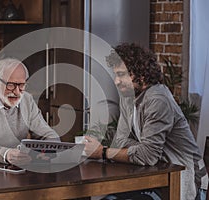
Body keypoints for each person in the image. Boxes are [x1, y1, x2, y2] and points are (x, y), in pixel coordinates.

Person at [84, 43, 208, 200]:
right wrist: (142, 150)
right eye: (115, 74)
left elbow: (147, 156)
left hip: (186, 180)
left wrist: (102, 152)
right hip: (157, 174)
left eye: (121, 75)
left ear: (141, 75)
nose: (116, 81)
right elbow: (120, 141)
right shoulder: (128, 96)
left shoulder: (158, 100)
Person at [0, 58, 60, 165]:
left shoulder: (27, 100)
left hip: (14, 166)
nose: (17, 92)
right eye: (11, 85)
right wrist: (6, 154)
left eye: (21, 85)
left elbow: (47, 134)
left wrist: (50, 149)